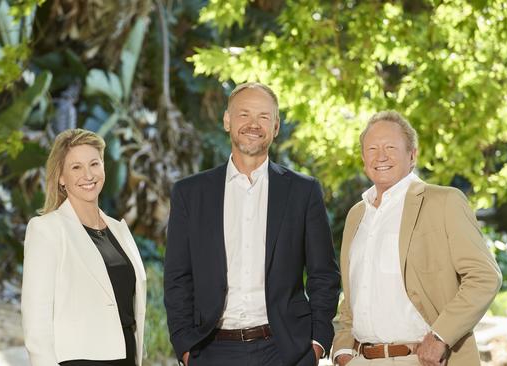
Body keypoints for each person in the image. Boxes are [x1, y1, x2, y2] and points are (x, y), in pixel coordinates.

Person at [164, 82, 341, 366]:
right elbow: (177, 278)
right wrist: (186, 346)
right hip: (211, 351)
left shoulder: (303, 191)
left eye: (263, 116)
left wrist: (317, 343)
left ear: (276, 126)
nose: (253, 124)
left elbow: (324, 274)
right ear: (227, 120)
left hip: (285, 351)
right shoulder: (190, 193)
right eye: (244, 114)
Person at [332, 111, 502, 366]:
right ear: (363, 158)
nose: (381, 156)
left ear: (412, 155)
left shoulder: (444, 202)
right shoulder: (357, 214)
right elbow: (353, 294)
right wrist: (342, 350)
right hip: (359, 360)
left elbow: (485, 276)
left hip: (422, 359)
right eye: (372, 148)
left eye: (391, 147)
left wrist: (440, 336)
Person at [22, 129, 147, 366]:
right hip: (78, 360)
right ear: (61, 177)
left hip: (127, 357)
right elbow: (36, 323)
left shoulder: (119, 230)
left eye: (94, 164)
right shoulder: (46, 230)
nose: (88, 175)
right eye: (76, 167)